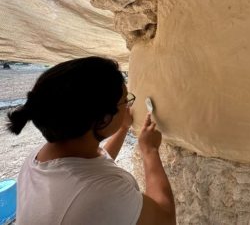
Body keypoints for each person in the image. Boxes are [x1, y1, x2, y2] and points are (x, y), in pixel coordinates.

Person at [7, 56, 176, 225]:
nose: (127, 107)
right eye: (125, 101)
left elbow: (95, 165)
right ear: (104, 120)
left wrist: (123, 128)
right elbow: (165, 220)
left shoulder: (39, 157)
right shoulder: (101, 194)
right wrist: (149, 151)